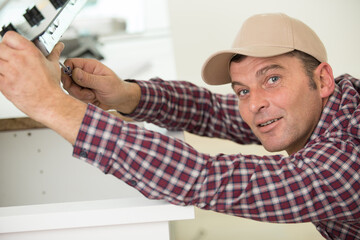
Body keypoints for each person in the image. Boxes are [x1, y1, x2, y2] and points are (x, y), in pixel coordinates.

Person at [0, 13, 359, 240]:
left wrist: (50, 103)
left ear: (323, 79)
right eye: (242, 90)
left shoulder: (347, 162)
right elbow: (209, 110)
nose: (254, 103)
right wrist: (125, 95)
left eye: (272, 78)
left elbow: (207, 179)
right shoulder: (325, 108)